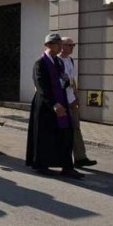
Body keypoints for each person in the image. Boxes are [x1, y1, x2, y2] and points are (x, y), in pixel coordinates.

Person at [26, 33, 85, 179]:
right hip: (46, 106)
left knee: (66, 134)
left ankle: (67, 166)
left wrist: (65, 81)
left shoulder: (58, 62)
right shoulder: (40, 62)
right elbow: (41, 86)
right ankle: (42, 165)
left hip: (61, 103)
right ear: (49, 45)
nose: (60, 47)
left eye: (60, 44)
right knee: (45, 136)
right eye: (58, 44)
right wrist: (54, 104)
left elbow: (61, 82)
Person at [59, 37, 98, 168]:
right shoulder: (56, 60)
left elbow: (72, 80)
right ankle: (62, 158)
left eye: (73, 45)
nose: (72, 47)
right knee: (62, 130)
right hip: (61, 101)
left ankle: (80, 157)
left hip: (70, 99)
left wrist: (76, 96)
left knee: (75, 127)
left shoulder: (70, 60)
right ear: (62, 46)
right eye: (70, 45)